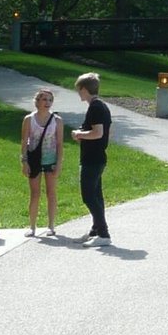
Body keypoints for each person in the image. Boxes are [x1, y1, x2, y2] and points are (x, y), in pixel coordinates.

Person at [72, 72, 112, 247]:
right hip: (97, 157)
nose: (78, 93)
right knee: (96, 195)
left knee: (88, 196)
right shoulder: (101, 106)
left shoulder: (95, 107)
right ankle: (96, 230)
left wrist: (79, 134)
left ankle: (104, 234)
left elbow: (98, 132)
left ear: (84, 89)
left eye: (79, 90)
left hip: (92, 159)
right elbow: (106, 132)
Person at [20, 88, 62, 237]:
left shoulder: (57, 120)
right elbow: (24, 142)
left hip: (50, 160)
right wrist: (24, 161)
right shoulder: (29, 119)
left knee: (51, 192)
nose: (47, 103)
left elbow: (59, 144)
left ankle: (51, 225)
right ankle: (32, 227)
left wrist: (59, 163)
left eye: (50, 100)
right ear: (37, 101)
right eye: (44, 99)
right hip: (34, 160)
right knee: (35, 193)